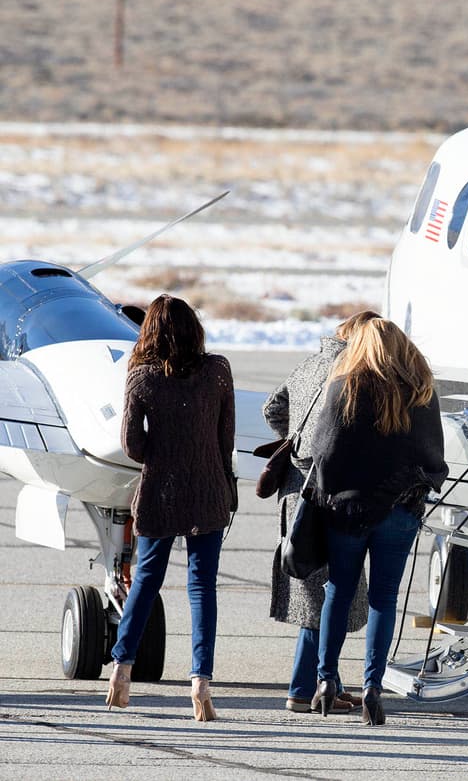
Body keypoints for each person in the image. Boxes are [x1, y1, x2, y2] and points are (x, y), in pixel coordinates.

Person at [309, 319, 448, 724]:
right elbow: (434, 461)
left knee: (338, 591)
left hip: (347, 511)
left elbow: (324, 453)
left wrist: (333, 492)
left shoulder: (344, 385)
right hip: (399, 512)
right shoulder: (421, 391)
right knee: (383, 599)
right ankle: (373, 685)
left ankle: (325, 680)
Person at [108, 295, 236, 722]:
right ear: (193, 328)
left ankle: (121, 671)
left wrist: (163, 453)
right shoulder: (218, 371)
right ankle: (200, 681)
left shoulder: (141, 376)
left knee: (146, 581)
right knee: (201, 588)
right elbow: (225, 438)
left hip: (160, 489)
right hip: (208, 489)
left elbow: (132, 445)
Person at [262, 310, 379, 714]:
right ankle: (301, 687)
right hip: (326, 493)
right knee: (325, 595)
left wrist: (292, 440)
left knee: (317, 587)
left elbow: (271, 408)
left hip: (297, 491)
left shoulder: (310, 363)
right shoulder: (353, 370)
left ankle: (330, 681)